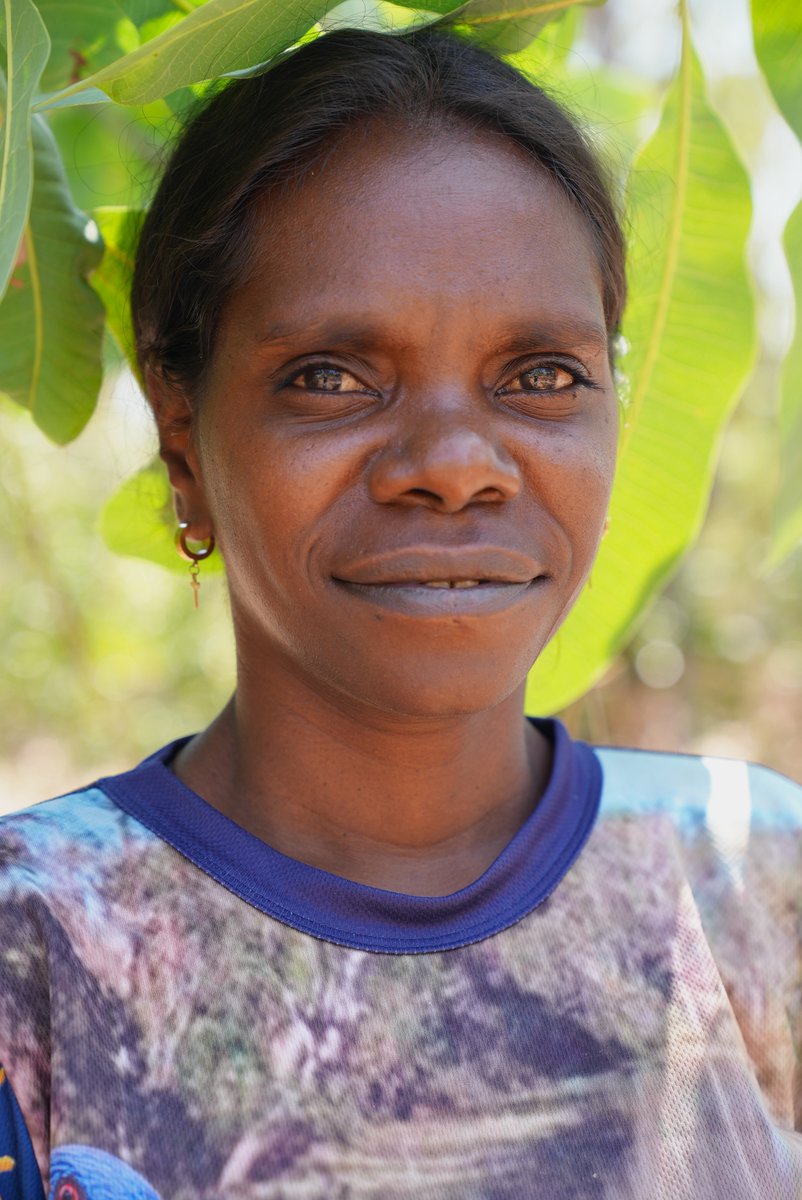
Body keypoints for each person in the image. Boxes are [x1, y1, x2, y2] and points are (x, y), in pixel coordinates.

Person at [1, 25, 800, 1200]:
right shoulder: (34, 944)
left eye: (541, 376)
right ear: (183, 441)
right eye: (332, 377)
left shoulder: (758, 878)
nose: (455, 463)